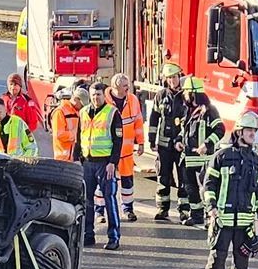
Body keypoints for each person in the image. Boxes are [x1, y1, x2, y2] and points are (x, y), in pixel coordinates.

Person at [203, 107, 258, 269]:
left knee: (242, 259)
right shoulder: (222, 156)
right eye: (249, 130)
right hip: (223, 218)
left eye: (255, 131)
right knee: (218, 257)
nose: (252, 134)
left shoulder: (255, 161)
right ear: (239, 132)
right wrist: (211, 207)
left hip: (245, 221)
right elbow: (209, 184)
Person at [74, 81, 122, 249]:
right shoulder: (83, 112)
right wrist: (76, 158)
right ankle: (88, 235)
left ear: (104, 95)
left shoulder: (112, 113)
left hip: (104, 163)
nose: (95, 98)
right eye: (93, 95)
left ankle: (113, 237)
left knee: (109, 199)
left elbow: (118, 140)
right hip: (88, 162)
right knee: (87, 201)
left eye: (98, 94)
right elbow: (79, 137)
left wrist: (113, 163)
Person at [181, 77, 223, 228]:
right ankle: (196, 215)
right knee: (190, 187)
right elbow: (185, 131)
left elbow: (220, 130)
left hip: (204, 158)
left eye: (186, 92)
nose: (184, 95)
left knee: (206, 188)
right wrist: (179, 141)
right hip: (188, 157)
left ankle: (209, 217)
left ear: (193, 93)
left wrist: (206, 144)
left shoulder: (209, 110)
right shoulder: (188, 110)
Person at [150, 62, 187, 221]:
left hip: (181, 145)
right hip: (164, 145)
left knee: (183, 178)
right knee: (163, 177)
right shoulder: (161, 96)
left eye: (174, 77)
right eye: (169, 78)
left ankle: (184, 210)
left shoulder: (186, 95)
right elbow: (154, 118)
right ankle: (162, 209)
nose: (172, 80)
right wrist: (152, 140)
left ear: (180, 77)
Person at [110, 73, 145, 221]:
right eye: (125, 86)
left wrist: (141, 142)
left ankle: (128, 209)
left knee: (127, 182)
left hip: (126, 152)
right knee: (105, 183)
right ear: (115, 87)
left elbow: (138, 122)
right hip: (108, 151)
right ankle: (100, 212)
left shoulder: (132, 100)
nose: (128, 88)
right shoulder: (105, 101)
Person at [51, 84, 85, 162]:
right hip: (62, 159)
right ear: (76, 99)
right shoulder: (60, 112)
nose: (82, 107)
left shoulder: (77, 112)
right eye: (82, 104)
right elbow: (59, 134)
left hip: (73, 157)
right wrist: (75, 135)